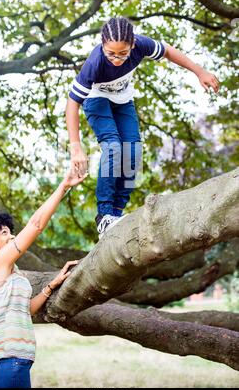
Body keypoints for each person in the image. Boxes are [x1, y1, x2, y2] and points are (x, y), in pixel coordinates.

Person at [65, 17, 219, 238]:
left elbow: (167, 50)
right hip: (96, 99)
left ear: (133, 45)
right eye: (111, 53)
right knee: (113, 147)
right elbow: (72, 103)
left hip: (123, 101)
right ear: (102, 46)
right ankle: (104, 215)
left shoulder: (142, 44)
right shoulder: (94, 63)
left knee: (133, 153)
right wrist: (76, 147)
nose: (116, 59)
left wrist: (199, 71)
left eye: (122, 53)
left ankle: (117, 214)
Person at [0, 169, 87, 389]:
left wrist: (51, 285)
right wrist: (63, 186)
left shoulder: (6, 271)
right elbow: (36, 225)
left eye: (11, 232)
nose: (12, 237)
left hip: (11, 362)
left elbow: (25, 310)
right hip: (9, 362)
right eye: (5, 233)